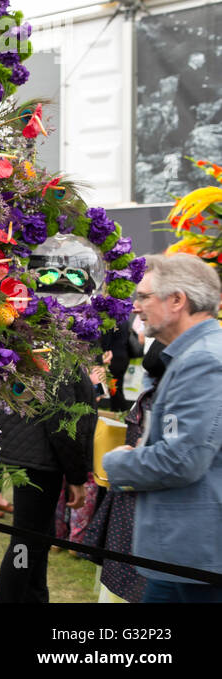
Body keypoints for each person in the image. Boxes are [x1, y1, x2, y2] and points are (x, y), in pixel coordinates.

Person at [104, 253, 222, 602]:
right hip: (184, 555)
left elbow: (183, 459)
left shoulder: (202, 360)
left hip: (192, 559)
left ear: (177, 300)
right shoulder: (195, 354)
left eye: (143, 296)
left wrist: (116, 464)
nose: (136, 306)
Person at [0, 368, 98, 602]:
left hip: (35, 455)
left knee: (36, 540)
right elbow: (62, 420)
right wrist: (77, 477)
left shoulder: (51, 345)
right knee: (25, 543)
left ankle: (35, 597)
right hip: (39, 459)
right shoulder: (55, 351)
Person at [83, 339, 168, 602]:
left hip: (128, 504)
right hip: (141, 505)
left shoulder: (146, 398)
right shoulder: (159, 402)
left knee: (119, 581)